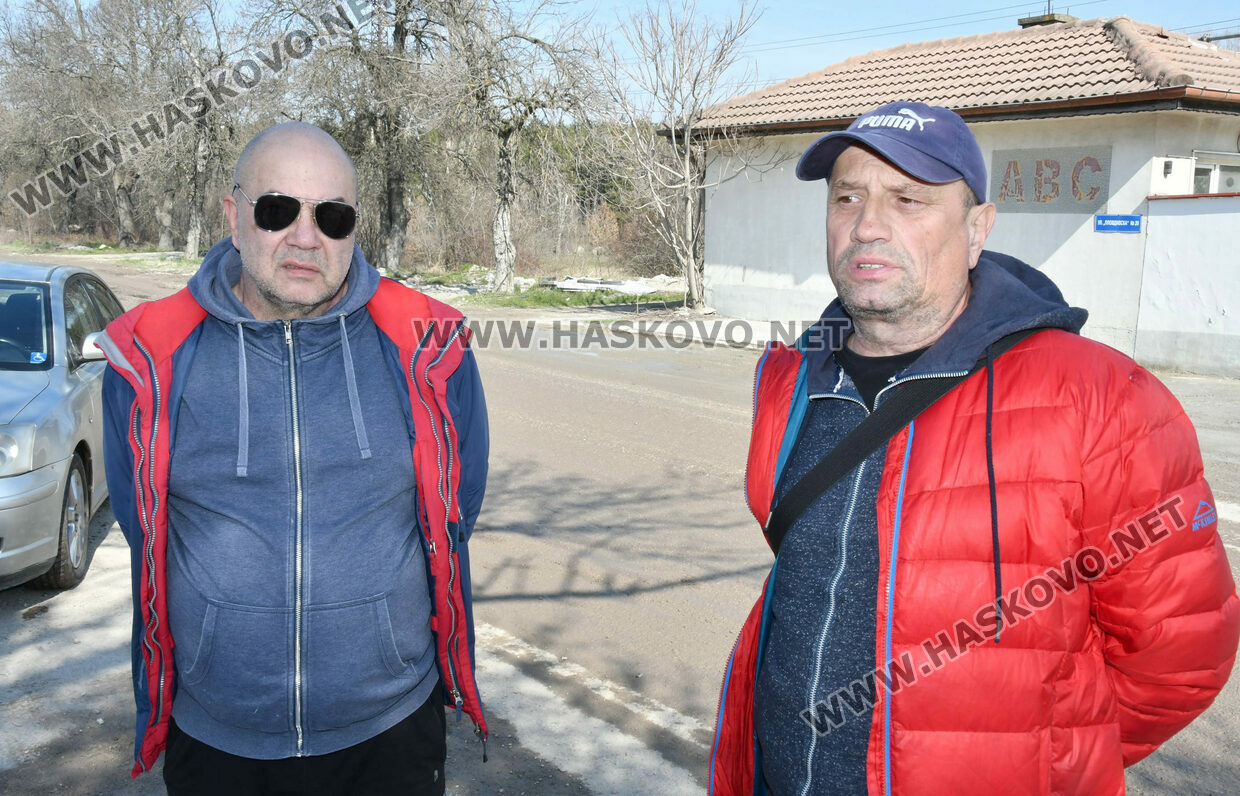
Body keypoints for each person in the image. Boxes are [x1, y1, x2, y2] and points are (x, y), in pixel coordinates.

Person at [709, 101, 1238, 795]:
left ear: (977, 229)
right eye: (847, 197)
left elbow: (1179, 656)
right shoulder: (791, 378)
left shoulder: (1103, 397)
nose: (867, 225)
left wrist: (1040, 762)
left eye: (908, 200)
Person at [97, 122, 488, 795]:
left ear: (354, 229)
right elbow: (143, 527)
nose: (306, 238)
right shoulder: (150, 357)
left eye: (332, 217)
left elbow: (456, 514)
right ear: (234, 215)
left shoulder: (430, 346)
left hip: (390, 731)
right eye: (278, 210)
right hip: (218, 738)